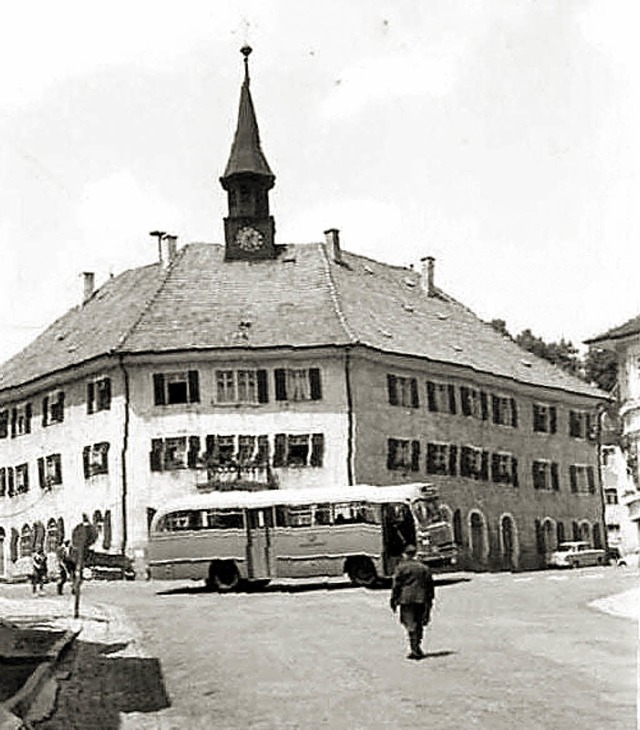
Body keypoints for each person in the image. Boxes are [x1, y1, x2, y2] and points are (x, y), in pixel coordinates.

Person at [390, 544, 435, 659]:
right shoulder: (424, 567)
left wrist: (394, 599)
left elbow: (396, 586)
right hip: (421, 599)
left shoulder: (401, 568)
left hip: (406, 599)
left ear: (404, 554)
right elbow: (430, 585)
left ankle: (414, 649)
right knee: (419, 623)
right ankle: (417, 647)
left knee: (410, 624)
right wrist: (429, 600)